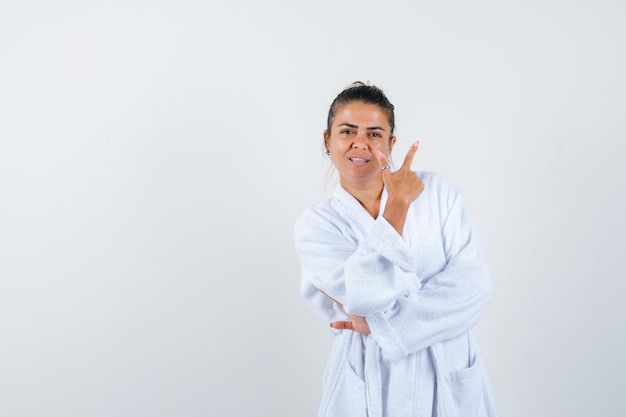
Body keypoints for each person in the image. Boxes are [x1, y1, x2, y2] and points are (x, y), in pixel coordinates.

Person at [293, 81, 498, 417]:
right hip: (370, 381)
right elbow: (363, 297)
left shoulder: (437, 193)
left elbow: (475, 289)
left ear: (391, 143)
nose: (361, 142)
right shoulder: (317, 226)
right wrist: (398, 205)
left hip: (447, 374)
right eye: (347, 131)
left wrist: (382, 325)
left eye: (374, 133)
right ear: (328, 140)